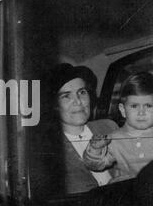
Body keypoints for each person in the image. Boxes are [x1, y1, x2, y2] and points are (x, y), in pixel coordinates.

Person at [31, 63, 118, 198]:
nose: (78, 101)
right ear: (54, 105)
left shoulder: (109, 127)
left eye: (82, 92)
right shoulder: (48, 149)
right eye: (66, 96)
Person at [84, 72, 153, 180]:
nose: (141, 112)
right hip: (132, 193)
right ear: (123, 110)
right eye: (134, 106)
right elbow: (96, 165)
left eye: (148, 105)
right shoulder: (114, 139)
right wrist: (96, 149)